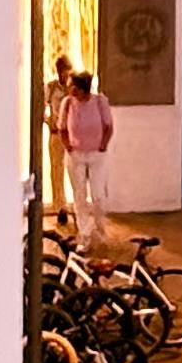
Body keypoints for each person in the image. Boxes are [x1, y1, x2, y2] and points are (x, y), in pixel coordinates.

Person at [63, 70, 115, 245]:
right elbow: (62, 127)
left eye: (73, 86)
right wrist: (69, 147)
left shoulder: (100, 102)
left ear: (81, 88)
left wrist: (103, 145)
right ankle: (84, 232)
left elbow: (108, 126)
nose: (70, 89)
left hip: (96, 154)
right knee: (79, 195)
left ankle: (100, 227)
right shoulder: (68, 103)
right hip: (76, 154)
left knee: (98, 195)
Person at [43, 53, 77, 213]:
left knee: (75, 168)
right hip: (57, 133)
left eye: (68, 70)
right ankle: (59, 205)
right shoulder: (51, 88)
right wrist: (48, 120)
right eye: (64, 70)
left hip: (73, 134)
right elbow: (41, 106)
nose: (66, 74)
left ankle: (76, 203)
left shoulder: (75, 88)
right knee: (57, 169)